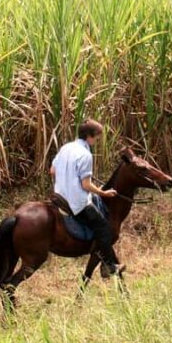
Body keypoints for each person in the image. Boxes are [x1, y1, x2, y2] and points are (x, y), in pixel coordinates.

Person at [50, 119, 124, 278]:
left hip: (59, 196)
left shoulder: (66, 147)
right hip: (77, 202)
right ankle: (108, 267)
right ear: (89, 136)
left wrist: (68, 177)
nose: (97, 141)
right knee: (105, 230)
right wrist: (104, 193)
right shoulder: (86, 155)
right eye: (97, 137)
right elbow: (86, 185)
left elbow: (52, 171)